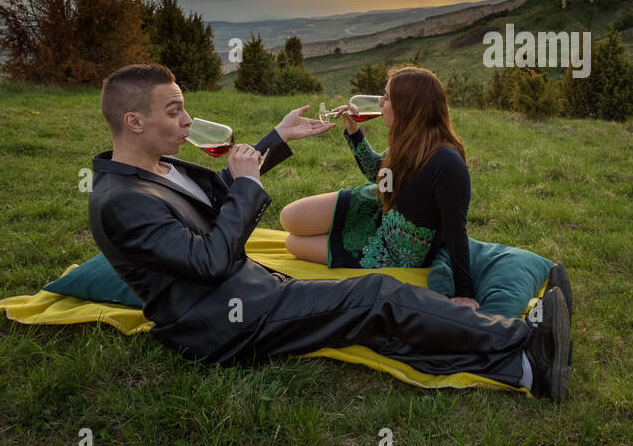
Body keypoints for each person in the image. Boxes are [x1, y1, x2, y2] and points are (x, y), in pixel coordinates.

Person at [85, 63, 571, 400]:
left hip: (256, 294)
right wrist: (249, 189)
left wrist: (277, 137)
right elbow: (210, 260)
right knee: (375, 295)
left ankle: (522, 370)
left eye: (183, 106)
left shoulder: (160, 167)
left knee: (370, 320)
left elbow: (223, 187)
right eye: (173, 111)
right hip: (226, 327)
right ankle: (521, 339)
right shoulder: (121, 203)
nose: (188, 119)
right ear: (134, 121)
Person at [279, 67, 479, 306]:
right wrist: (353, 132)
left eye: (387, 98)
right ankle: (336, 229)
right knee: (287, 218)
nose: (380, 103)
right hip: (374, 208)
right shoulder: (408, 142)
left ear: (408, 107)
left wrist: (465, 292)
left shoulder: (447, 163)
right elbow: (379, 174)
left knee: (293, 243)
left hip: (387, 248)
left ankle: (338, 235)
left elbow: (456, 231)